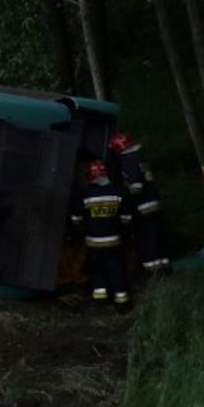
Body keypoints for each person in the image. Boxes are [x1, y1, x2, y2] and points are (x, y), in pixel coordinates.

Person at [70, 159, 134, 312]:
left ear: (90, 176)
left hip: (94, 243)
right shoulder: (118, 192)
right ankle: (122, 303)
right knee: (117, 271)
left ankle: (100, 301)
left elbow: (76, 220)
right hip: (114, 242)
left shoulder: (85, 194)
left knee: (97, 271)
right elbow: (127, 219)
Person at [108, 132, 169, 276]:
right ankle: (165, 268)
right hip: (153, 204)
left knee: (146, 240)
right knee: (156, 238)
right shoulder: (139, 157)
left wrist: (124, 205)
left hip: (142, 208)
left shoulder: (128, 160)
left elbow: (136, 187)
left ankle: (154, 273)